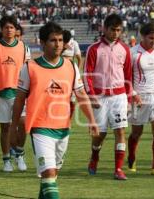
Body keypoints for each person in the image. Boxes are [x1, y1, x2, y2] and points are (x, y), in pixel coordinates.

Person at [10, 21, 99, 199]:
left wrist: (92, 120)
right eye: (52, 40)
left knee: (50, 177)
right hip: (40, 128)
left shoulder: (71, 66)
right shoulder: (30, 68)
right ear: (42, 43)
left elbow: (81, 95)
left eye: (60, 40)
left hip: (63, 129)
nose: (58, 44)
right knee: (49, 174)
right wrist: (14, 126)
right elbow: (19, 100)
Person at [84, 14, 132, 180]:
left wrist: (129, 98)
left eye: (119, 30)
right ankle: (94, 157)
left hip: (119, 96)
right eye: (112, 29)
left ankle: (118, 169)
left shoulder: (125, 49)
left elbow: (128, 76)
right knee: (100, 134)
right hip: (100, 97)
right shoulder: (94, 49)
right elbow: (87, 74)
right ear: (104, 29)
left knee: (120, 131)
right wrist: (91, 95)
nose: (115, 33)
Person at [127, 23, 154, 176]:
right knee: (136, 133)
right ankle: (132, 158)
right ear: (142, 36)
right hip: (139, 97)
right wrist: (133, 93)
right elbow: (126, 77)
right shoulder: (133, 53)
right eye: (150, 38)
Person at [0, 15, 27, 172]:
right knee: (6, 128)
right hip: (1, 93)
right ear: (1, 29)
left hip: (20, 93)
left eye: (11, 27)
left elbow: (27, 69)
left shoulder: (23, 47)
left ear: (16, 30)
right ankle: (6, 160)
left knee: (23, 125)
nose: (9, 30)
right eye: (6, 27)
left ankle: (20, 154)